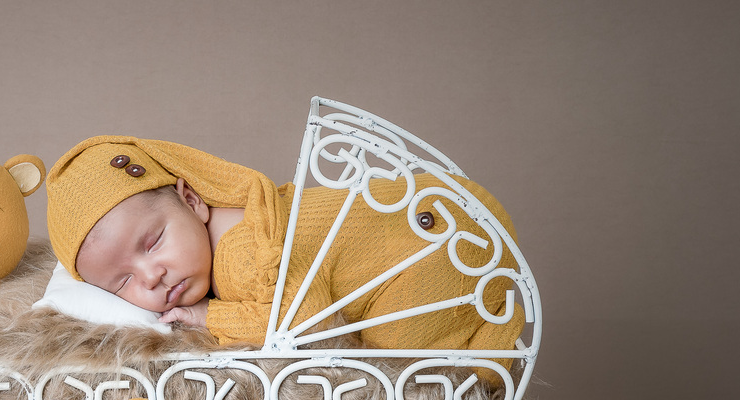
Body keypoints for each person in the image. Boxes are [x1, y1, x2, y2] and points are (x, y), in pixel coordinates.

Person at [46, 136, 525, 357]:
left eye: (153, 243)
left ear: (191, 200)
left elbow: (304, 318)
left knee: (397, 366)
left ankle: (488, 345)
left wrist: (211, 316)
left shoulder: (242, 253)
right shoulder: (239, 217)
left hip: (441, 240)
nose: (152, 277)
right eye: (123, 282)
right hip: (448, 205)